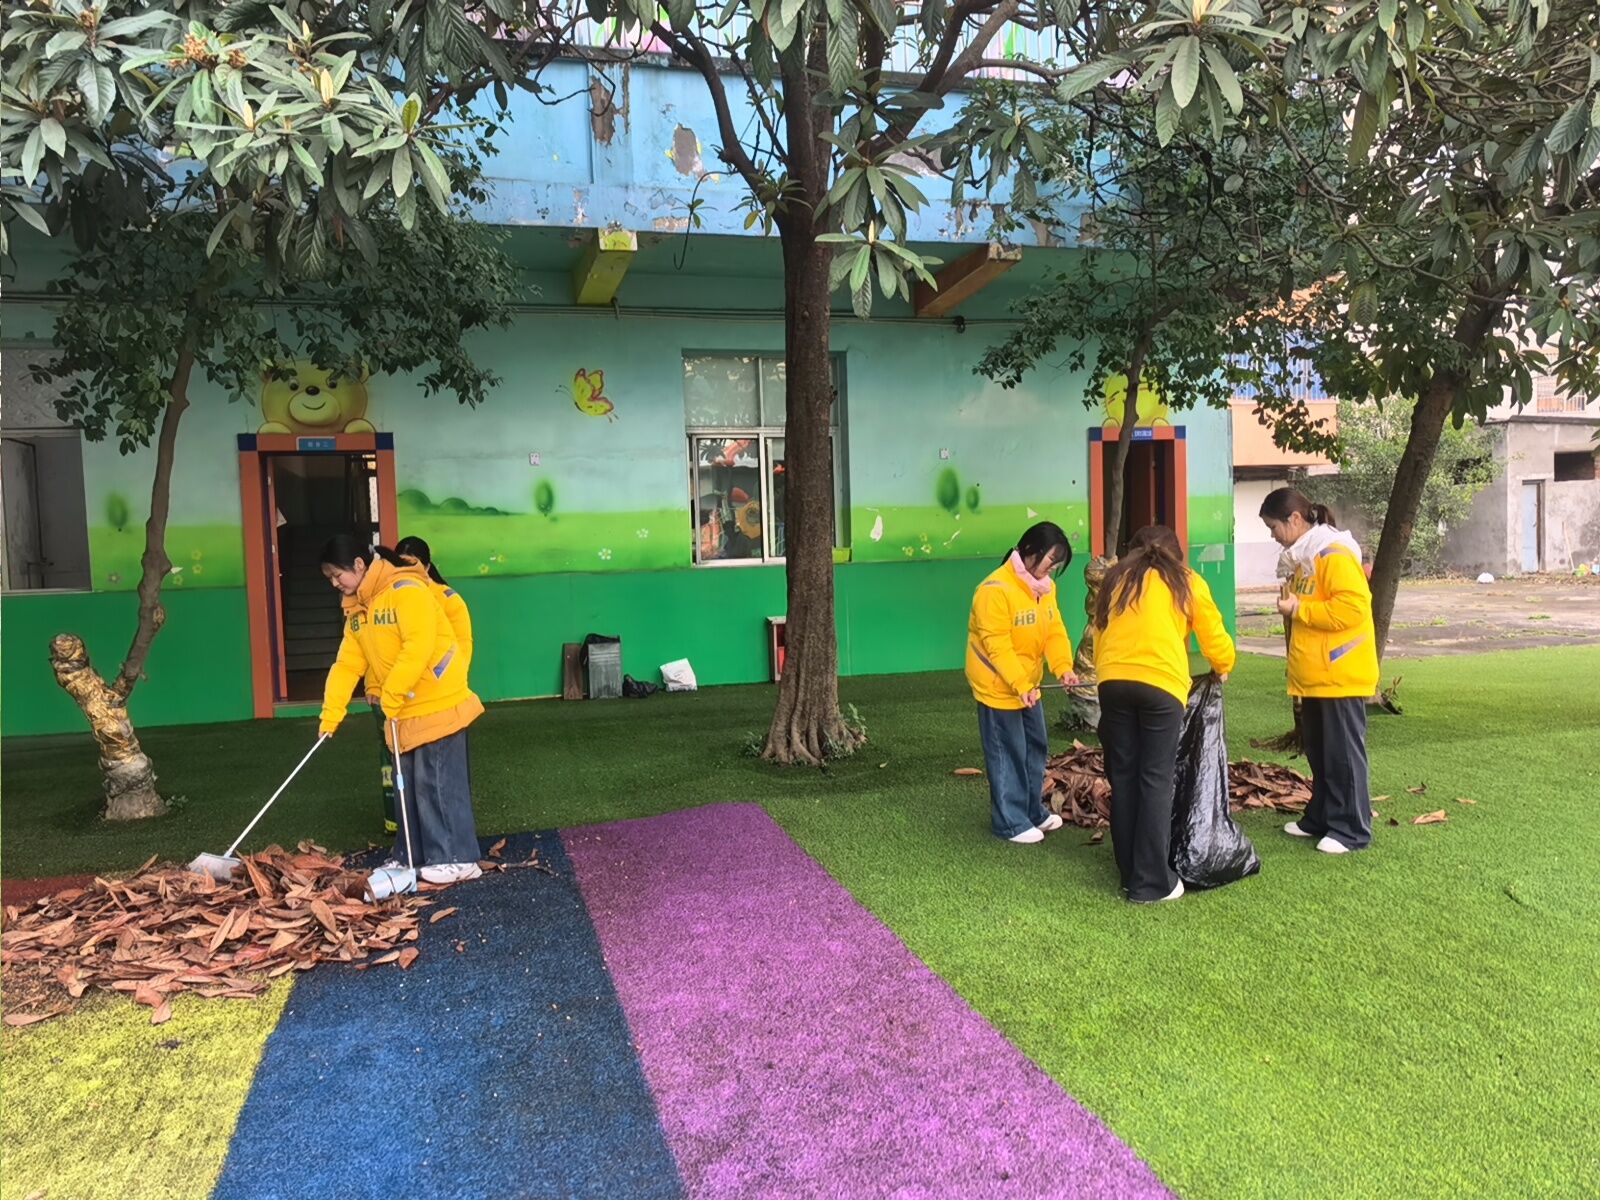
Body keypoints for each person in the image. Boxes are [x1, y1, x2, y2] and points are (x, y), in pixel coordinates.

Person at [317, 536, 485, 884]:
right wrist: (331, 713)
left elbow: (418, 645)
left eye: (337, 575)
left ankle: (458, 857)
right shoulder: (358, 611)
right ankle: (410, 856)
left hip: (437, 700)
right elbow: (347, 664)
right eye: (329, 578)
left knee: (436, 781)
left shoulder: (406, 590)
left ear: (359, 564)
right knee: (407, 784)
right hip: (403, 709)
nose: (334, 583)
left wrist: (391, 694)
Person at [1093, 526, 1235, 903]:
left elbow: (1099, 632)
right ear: (1177, 554)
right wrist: (1223, 665)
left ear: (1132, 550)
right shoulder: (1186, 581)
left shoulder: (1115, 580)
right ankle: (1152, 882)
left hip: (1112, 682)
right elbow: (1213, 633)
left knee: (1124, 775)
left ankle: (1129, 871)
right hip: (1161, 686)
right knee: (1155, 777)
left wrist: (1111, 672)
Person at [1259, 488, 1379, 855]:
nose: (1273, 536)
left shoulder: (1333, 554)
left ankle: (1351, 830)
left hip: (1339, 674)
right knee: (1321, 752)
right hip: (1316, 675)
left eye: (1274, 527)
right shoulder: (1305, 557)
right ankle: (1322, 816)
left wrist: (1299, 610)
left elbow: (1352, 609)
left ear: (1295, 519)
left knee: (1342, 754)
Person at [965, 522, 1079, 844]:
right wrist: (1019, 684)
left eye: (1058, 563)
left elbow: (1054, 631)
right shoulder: (994, 590)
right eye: (1051, 560)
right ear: (1030, 551)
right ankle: (1009, 821)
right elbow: (997, 646)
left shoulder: (1045, 589)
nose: (1053, 568)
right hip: (998, 686)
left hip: (1029, 685)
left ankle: (1031, 811)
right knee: (1007, 751)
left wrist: (1063, 668)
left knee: (1035, 745)